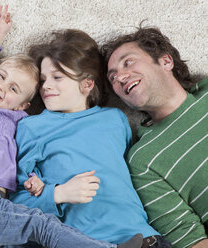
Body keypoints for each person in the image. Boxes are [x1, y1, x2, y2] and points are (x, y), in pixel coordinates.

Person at [0, 7, 143, 248]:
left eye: (14, 89)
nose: (1, 86)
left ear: (23, 106)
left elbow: (22, 169)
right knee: (41, 226)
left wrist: (35, 182)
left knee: (33, 231)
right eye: (1, 76)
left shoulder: (19, 122)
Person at [9, 29, 172, 248]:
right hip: (88, 241)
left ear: (87, 84)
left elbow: (133, 175)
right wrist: (58, 193)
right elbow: (14, 204)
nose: (46, 85)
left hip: (144, 237)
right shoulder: (32, 127)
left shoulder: (115, 119)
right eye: (43, 79)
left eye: (57, 77)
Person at [101, 26, 208, 248]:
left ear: (166, 61)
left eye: (128, 62)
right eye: (112, 77)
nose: (119, 77)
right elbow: (189, 239)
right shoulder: (142, 161)